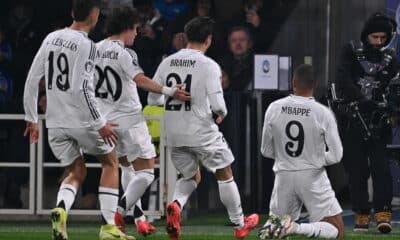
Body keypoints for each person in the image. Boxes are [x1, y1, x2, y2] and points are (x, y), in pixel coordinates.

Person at [22, 1, 134, 240]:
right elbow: (81, 88)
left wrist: (32, 118)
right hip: (80, 120)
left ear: (73, 13)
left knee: (76, 170)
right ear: (94, 17)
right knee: (111, 162)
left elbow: (32, 80)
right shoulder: (87, 45)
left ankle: (61, 210)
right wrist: (99, 123)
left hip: (54, 122)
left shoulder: (51, 38)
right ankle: (108, 228)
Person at [148, 16, 259, 240]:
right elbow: (219, 105)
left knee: (191, 176)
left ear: (187, 37)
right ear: (208, 40)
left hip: (173, 131)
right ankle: (239, 224)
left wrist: (172, 99)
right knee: (224, 172)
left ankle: (176, 205)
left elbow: (153, 98)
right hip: (200, 129)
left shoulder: (168, 61)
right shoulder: (209, 65)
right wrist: (220, 115)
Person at [93, 7, 190, 237]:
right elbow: (141, 80)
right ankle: (118, 212)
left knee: (127, 168)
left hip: (107, 122)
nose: (136, 34)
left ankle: (138, 219)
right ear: (126, 28)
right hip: (130, 120)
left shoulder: (94, 50)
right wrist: (169, 90)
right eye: (135, 29)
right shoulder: (125, 53)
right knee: (147, 173)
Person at [258, 64, 344, 239]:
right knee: (336, 229)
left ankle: (285, 228)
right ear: (315, 84)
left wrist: (286, 158)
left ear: (293, 82)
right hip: (312, 176)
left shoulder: (274, 107)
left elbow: (266, 150)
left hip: (283, 176)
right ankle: (296, 228)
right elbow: (336, 155)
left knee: (274, 231)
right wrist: (314, 159)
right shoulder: (323, 113)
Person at [335, 13, 398, 233]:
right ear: (366, 36)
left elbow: (394, 88)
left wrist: (391, 111)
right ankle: (361, 213)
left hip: (378, 121)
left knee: (381, 168)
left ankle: (383, 213)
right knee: (357, 170)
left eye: (382, 38)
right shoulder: (351, 51)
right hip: (352, 119)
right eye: (374, 37)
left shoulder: (390, 59)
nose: (378, 42)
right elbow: (341, 79)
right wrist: (363, 100)